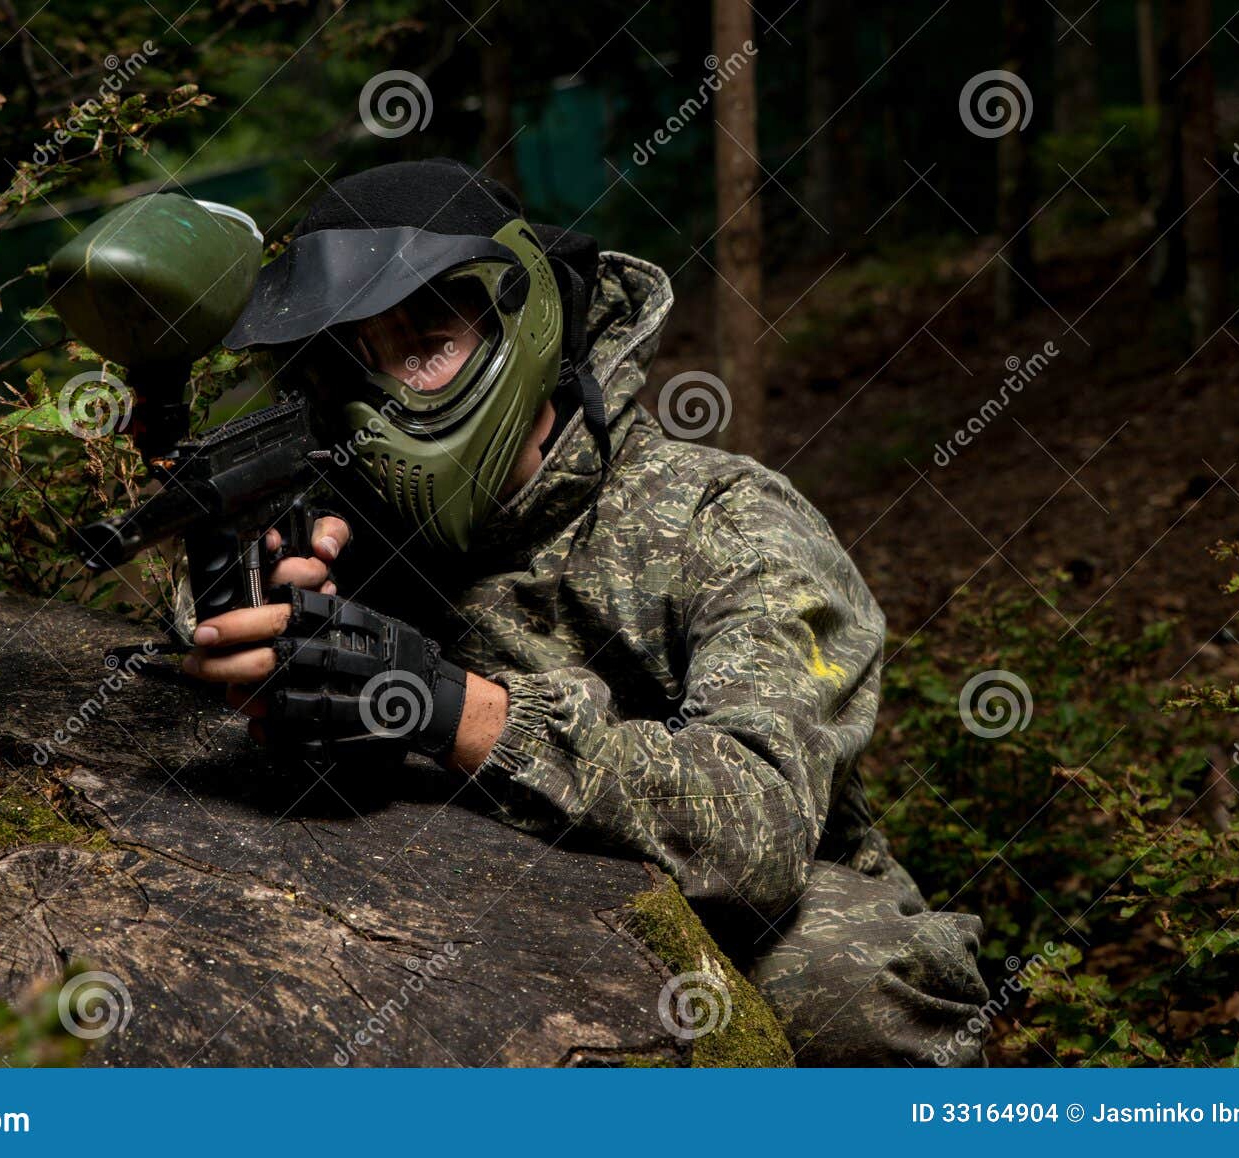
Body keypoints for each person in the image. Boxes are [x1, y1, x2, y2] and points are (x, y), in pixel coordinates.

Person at [180, 158, 989, 1065]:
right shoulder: (349, 522)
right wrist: (261, 612)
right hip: (490, 889)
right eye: (354, 366)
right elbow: (233, 673)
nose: (388, 403)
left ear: (526, 327)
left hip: (741, 900)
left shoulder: (723, 519)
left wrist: (455, 708)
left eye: (424, 345)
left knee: (846, 987)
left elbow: (758, 830)